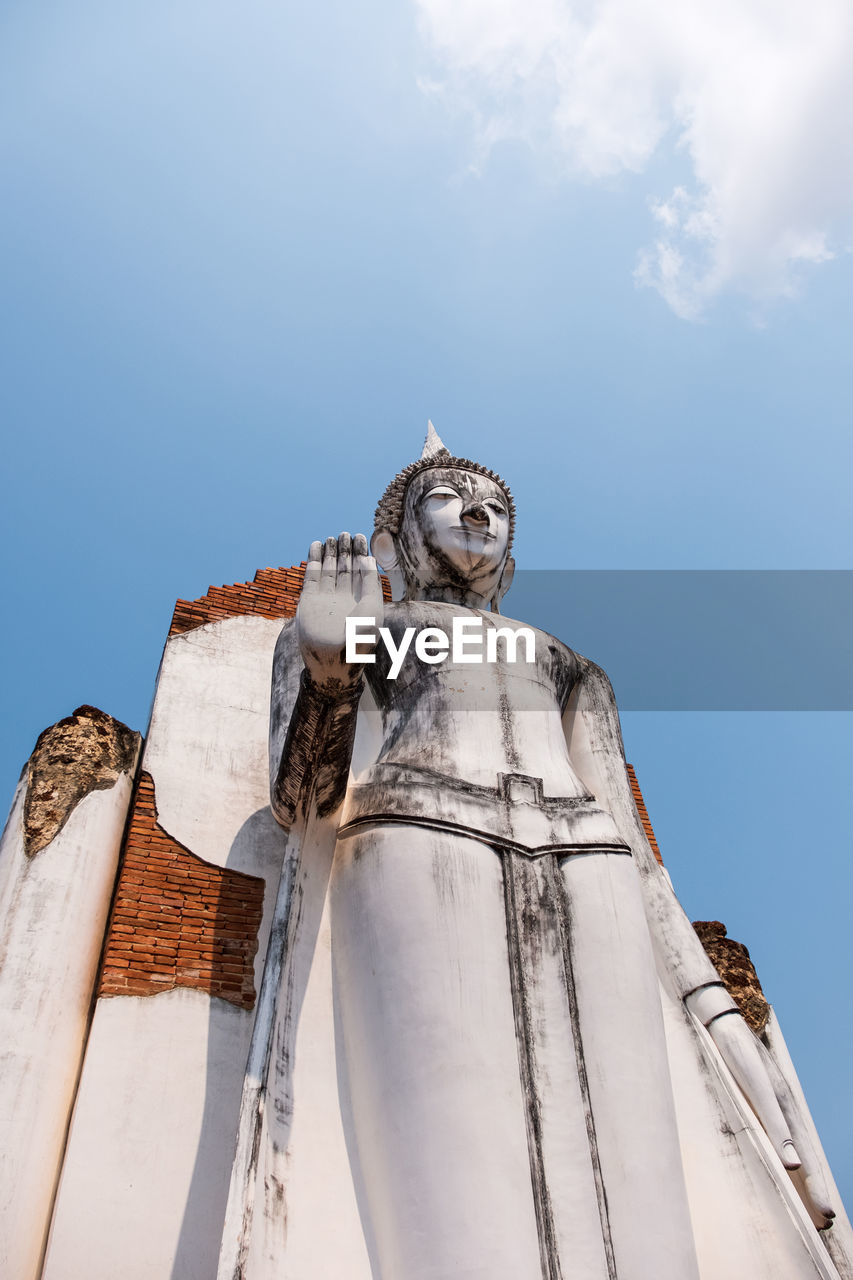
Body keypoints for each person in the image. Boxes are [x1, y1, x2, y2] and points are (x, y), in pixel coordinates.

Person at [268, 427, 837, 1280]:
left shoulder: (567, 663)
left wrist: (708, 1001)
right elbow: (301, 800)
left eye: (496, 506)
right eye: (448, 496)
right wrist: (326, 663)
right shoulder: (366, 626)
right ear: (397, 535)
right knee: (453, 1148)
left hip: (588, 858)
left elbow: (640, 853)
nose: (478, 512)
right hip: (420, 835)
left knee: (631, 1150)